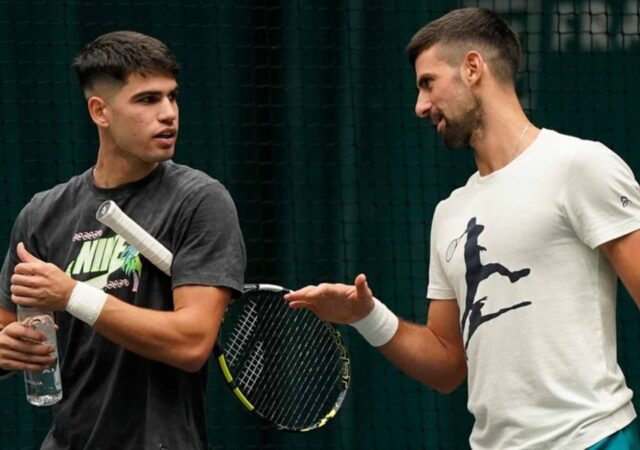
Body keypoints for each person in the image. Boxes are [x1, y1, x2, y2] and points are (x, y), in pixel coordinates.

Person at [284, 7, 640, 450]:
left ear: (473, 68)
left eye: (428, 83)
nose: (420, 106)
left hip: (594, 440)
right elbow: (448, 364)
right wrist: (365, 316)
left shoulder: (579, 166)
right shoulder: (449, 213)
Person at [0, 31, 246, 449]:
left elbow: (191, 342)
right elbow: (8, 324)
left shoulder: (201, 201)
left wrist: (73, 295)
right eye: (148, 99)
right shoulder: (42, 213)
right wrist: (6, 348)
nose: (168, 113)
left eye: (172, 97)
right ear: (100, 111)